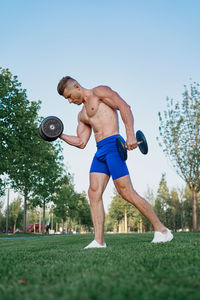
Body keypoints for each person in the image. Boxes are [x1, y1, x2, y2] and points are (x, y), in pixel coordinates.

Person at [57, 76, 173, 248]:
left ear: (76, 86)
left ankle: (162, 230)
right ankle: (99, 241)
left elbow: (124, 106)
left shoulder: (99, 92)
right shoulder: (81, 115)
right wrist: (58, 134)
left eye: (69, 96)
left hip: (113, 145)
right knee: (93, 192)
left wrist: (130, 134)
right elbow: (81, 142)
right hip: (100, 151)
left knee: (126, 192)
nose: (69, 101)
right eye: (66, 98)